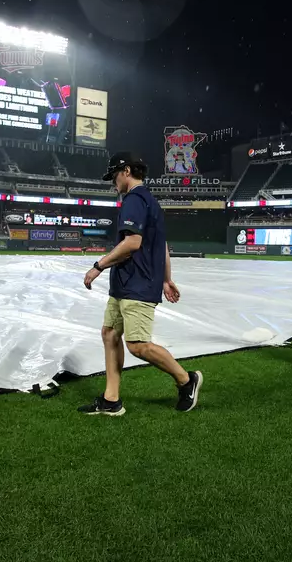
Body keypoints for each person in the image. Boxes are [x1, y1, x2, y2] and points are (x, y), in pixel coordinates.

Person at [80, 152, 203, 416]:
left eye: (114, 175)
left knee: (137, 345)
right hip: (127, 282)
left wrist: (97, 266)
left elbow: (132, 243)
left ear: (125, 171)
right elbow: (162, 246)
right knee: (110, 333)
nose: (113, 181)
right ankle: (111, 400)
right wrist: (167, 279)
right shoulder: (150, 201)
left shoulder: (134, 199)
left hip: (137, 284)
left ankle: (186, 380)